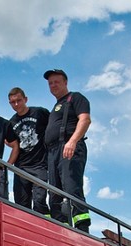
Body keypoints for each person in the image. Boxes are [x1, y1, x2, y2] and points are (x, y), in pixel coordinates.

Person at [43, 69, 91, 232]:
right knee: (54, 192)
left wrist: (72, 141)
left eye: (56, 82)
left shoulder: (75, 98)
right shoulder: (56, 106)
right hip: (53, 153)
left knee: (71, 188)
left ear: (65, 82)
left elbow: (85, 120)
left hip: (68, 147)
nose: (53, 85)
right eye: (50, 83)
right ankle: (59, 227)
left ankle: (82, 227)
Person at [5, 87, 50, 215]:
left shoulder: (40, 113)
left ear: (25, 99)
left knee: (39, 200)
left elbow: (53, 128)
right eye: (13, 102)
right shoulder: (11, 122)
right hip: (21, 167)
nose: (16, 104)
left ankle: (46, 227)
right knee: (21, 204)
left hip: (39, 165)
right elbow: (11, 143)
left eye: (19, 100)